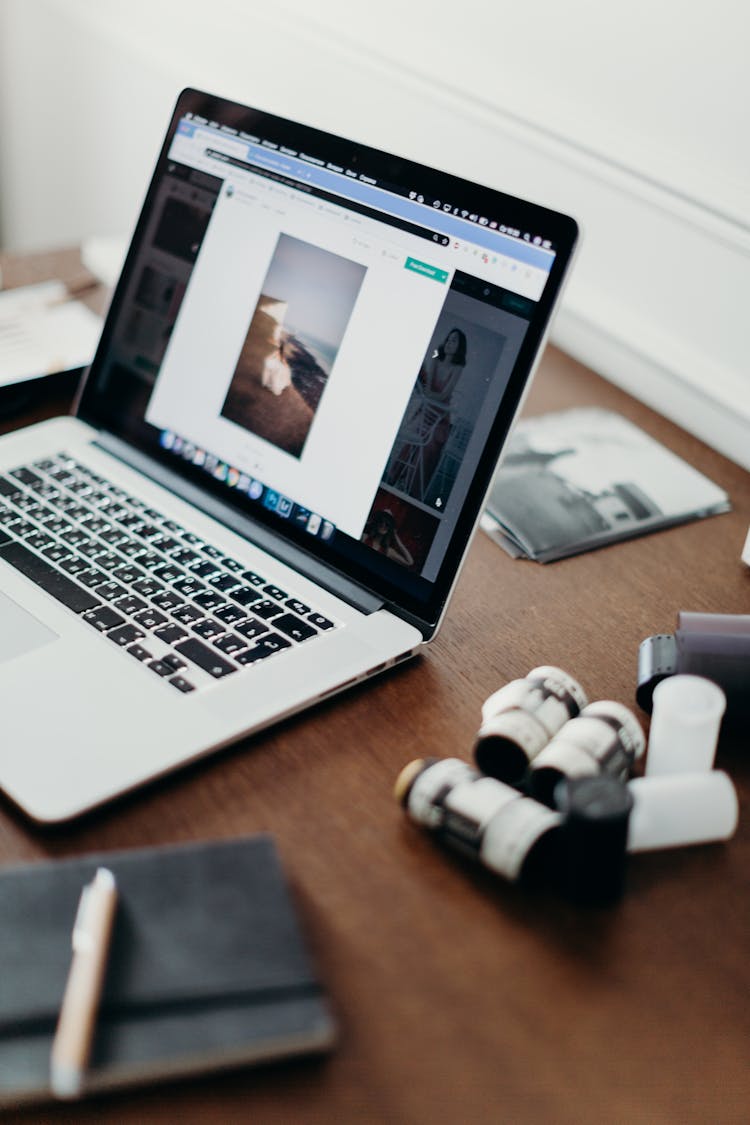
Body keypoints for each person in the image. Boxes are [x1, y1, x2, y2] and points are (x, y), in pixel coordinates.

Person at [386, 328, 468, 499]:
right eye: (449, 339)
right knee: (412, 433)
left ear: (460, 347)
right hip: (425, 410)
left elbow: (444, 395)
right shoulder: (436, 360)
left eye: (454, 341)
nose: (449, 343)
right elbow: (429, 389)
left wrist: (427, 393)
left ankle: (413, 490)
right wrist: (427, 393)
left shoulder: (458, 367)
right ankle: (395, 479)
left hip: (441, 417)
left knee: (431, 444)